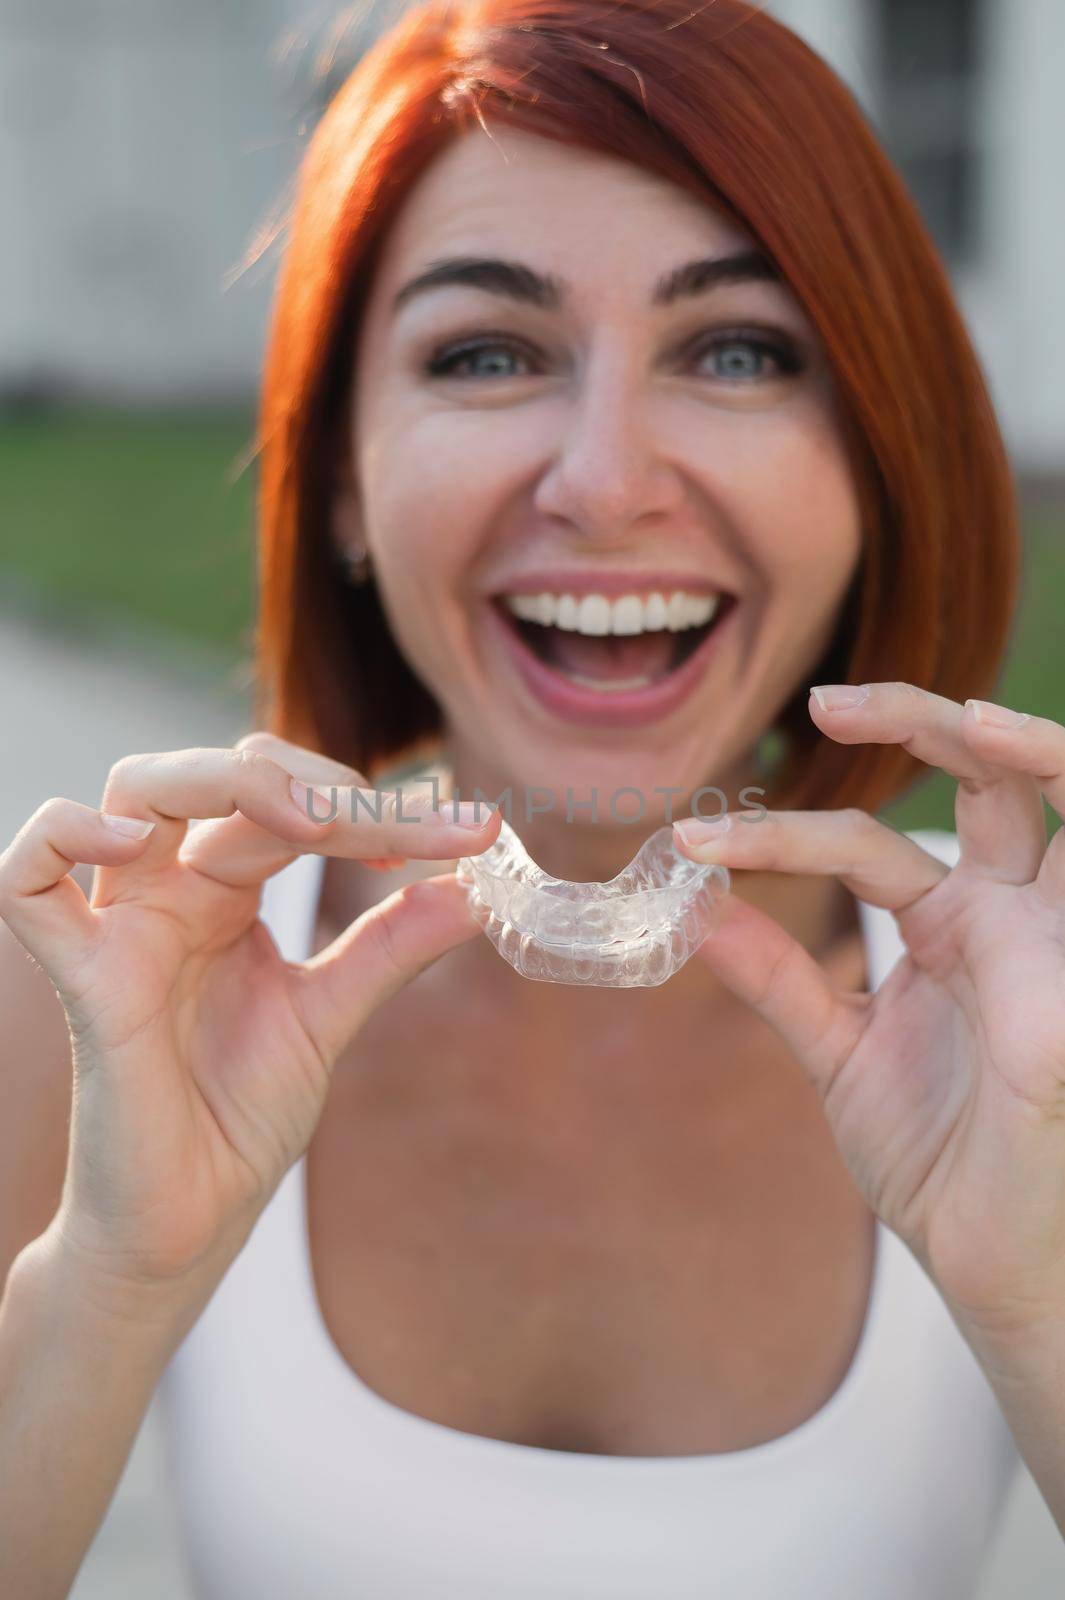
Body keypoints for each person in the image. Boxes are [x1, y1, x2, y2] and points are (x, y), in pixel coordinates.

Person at [2, 1, 1064, 1594]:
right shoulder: (94, 999)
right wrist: (111, 1280)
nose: (603, 476)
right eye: (486, 353)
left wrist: (1035, 1305)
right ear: (346, 473)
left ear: (875, 463)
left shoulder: (1030, 1020)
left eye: (737, 349)